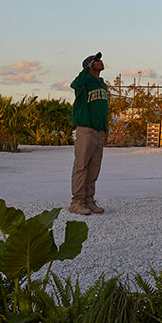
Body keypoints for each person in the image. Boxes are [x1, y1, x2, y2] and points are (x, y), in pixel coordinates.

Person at [69, 51, 108, 215]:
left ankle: (89, 200)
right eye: (96, 60)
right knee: (81, 166)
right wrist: (86, 70)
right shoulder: (84, 83)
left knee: (94, 168)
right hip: (85, 130)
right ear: (90, 65)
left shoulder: (102, 85)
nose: (101, 61)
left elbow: (103, 108)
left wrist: (105, 128)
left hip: (99, 131)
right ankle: (76, 202)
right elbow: (75, 84)